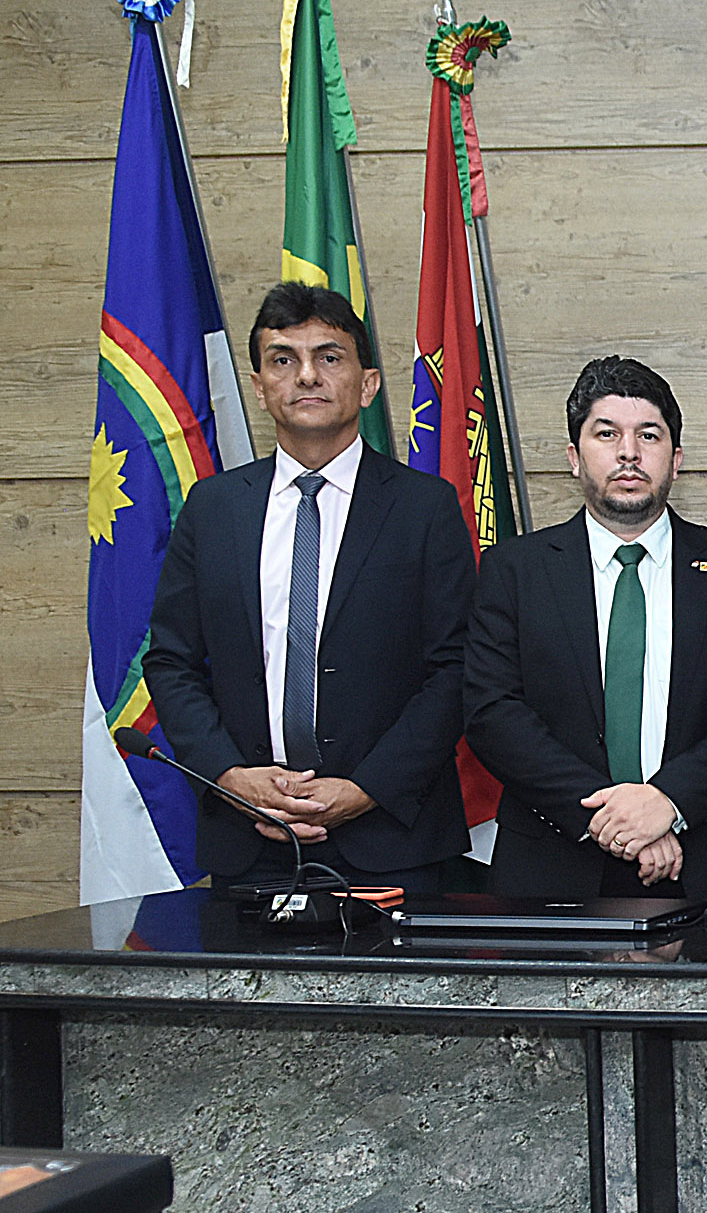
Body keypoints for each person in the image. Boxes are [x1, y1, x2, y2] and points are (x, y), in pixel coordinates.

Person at [144, 282, 474, 891]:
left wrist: (367, 788)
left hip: (395, 840)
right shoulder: (212, 509)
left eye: (329, 357)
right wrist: (231, 777)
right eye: (282, 359)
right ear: (260, 387)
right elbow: (170, 662)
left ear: (368, 384)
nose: (306, 376)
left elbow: (455, 670)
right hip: (249, 840)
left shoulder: (425, 509)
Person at [463, 357, 707, 898]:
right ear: (574, 457)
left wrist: (667, 802)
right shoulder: (513, 571)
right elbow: (493, 713)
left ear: (676, 459)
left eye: (649, 435)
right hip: (553, 865)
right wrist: (613, 819)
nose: (628, 453)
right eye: (606, 433)